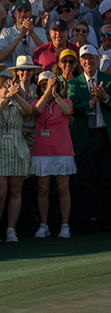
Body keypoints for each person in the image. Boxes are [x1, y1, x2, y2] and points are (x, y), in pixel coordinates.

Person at [67, 44, 111, 234]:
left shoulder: (108, 80)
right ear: (80, 61)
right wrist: (92, 102)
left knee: (106, 180)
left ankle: (105, 221)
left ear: (97, 58)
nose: (88, 61)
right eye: (84, 58)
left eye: (91, 57)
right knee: (83, 180)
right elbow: (73, 108)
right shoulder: (74, 83)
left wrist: (105, 97)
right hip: (85, 136)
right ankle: (83, 222)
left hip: (105, 136)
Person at [0, 74, 32, 243]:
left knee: (15, 191)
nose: (12, 89)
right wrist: (5, 99)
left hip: (17, 148)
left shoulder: (16, 102)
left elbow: (29, 111)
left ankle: (11, 229)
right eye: (7, 86)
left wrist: (17, 96)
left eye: (13, 86)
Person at [31, 71, 75, 239]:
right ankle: (44, 225)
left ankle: (65, 225)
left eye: (50, 84)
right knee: (43, 189)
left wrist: (55, 93)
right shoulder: (37, 101)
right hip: (42, 152)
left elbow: (67, 111)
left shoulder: (65, 101)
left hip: (62, 151)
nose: (47, 87)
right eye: (43, 85)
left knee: (63, 189)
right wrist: (47, 92)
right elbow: (37, 110)